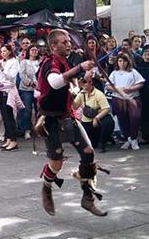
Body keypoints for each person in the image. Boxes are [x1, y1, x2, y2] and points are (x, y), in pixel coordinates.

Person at [36, 29, 106, 217]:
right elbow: (55, 82)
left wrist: (82, 82)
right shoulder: (49, 63)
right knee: (56, 164)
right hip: (49, 119)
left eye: (69, 41)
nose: (69, 44)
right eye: (64, 42)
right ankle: (47, 187)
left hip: (67, 115)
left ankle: (87, 197)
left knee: (88, 153)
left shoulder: (65, 62)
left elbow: (70, 87)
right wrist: (80, 68)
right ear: (53, 46)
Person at [106, 52, 145, 150]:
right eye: (120, 61)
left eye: (124, 61)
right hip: (118, 99)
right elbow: (108, 86)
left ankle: (134, 138)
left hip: (132, 98)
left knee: (135, 117)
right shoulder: (114, 73)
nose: (122, 63)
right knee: (122, 119)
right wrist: (117, 89)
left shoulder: (133, 72)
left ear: (128, 62)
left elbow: (141, 83)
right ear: (117, 62)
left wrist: (130, 89)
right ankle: (128, 139)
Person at [74, 73, 115, 153]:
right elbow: (74, 107)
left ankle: (103, 142)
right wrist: (72, 96)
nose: (84, 84)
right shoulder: (81, 94)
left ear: (91, 82)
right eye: (82, 82)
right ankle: (102, 138)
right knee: (92, 144)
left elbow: (106, 109)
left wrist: (96, 118)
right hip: (87, 120)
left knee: (108, 122)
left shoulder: (98, 94)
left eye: (86, 82)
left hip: (99, 117)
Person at [0, 44, 20, 151]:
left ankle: (14, 140)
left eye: (5, 51)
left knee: (9, 116)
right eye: (1, 51)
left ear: (10, 51)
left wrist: (3, 69)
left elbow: (12, 76)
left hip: (9, 90)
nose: (3, 53)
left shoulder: (14, 61)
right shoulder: (1, 62)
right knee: (4, 116)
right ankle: (8, 139)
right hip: (1, 89)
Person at [18, 45, 40, 140]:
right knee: (27, 110)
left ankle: (39, 128)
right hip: (27, 89)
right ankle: (26, 130)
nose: (34, 51)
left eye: (36, 50)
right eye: (32, 50)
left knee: (39, 109)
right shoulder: (24, 62)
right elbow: (22, 75)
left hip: (39, 89)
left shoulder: (40, 62)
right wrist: (32, 83)